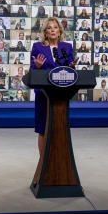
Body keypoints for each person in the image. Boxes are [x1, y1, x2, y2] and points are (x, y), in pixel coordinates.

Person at [30, 17, 75, 157]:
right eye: (49, 28)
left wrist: (71, 67)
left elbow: (68, 70)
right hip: (44, 94)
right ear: (45, 31)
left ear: (59, 30)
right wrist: (37, 66)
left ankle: (58, 160)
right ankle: (43, 162)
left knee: (60, 129)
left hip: (61, 94)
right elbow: (32, 71)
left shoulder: (67, 47)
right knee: (43, 128)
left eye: (55, 27)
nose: (52, 30)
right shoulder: (38, 47)